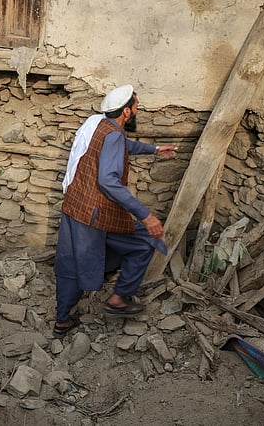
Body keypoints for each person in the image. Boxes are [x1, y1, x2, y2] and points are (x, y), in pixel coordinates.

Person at [52, 85, 178, 338]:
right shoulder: (113, 136)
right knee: (145, 241)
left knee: (71, 261)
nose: (137, 110)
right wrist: (146, 215)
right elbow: (108, 180)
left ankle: (62, 320)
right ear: (127, 112)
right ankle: (118, 300)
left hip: (75, 206)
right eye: (136, 107)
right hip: (95, 214)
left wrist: (154, 149)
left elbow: (121, 147)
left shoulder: (98, 124)